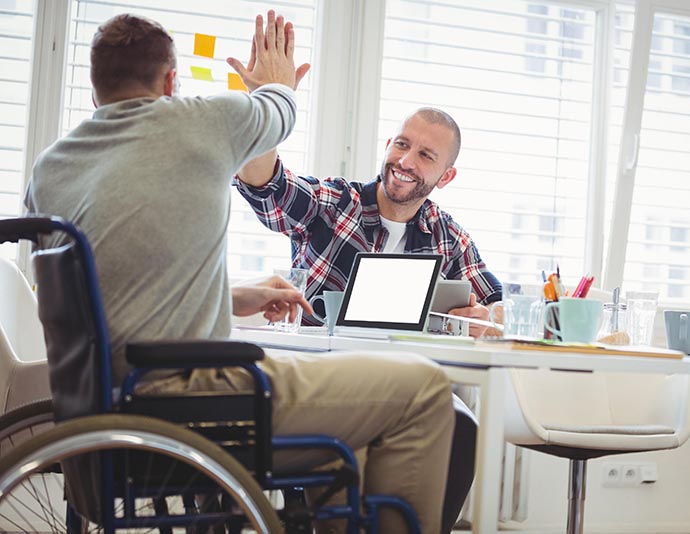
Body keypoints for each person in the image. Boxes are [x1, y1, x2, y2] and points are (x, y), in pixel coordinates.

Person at [24, 10, 454, 534]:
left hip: (103, 407)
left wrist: (232, 296)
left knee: (349, 441)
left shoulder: (50, 168)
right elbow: (279, 108)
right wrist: (272, 83)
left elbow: (107, 296)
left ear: (94, 94)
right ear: (169, 82)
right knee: (426, 388)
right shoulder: (199, 121)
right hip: (197, 397)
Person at [235, 107, 502, 531]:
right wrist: (266, 107)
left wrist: (482, 314)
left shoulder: (447, 235)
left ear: (445, 178)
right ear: (388, 145)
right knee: (361, 444)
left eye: (426, 156)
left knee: (462, 427)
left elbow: (498, 307)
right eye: (402, 144)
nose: (406, 161)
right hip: (321, 380)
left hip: (404, 388)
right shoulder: (337, 203)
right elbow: (268, 187)